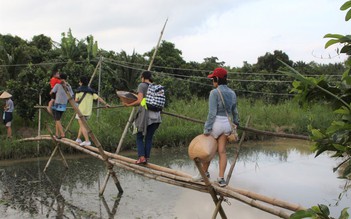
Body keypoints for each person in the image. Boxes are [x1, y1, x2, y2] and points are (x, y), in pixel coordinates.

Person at [194, 67, 239, 187]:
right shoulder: (232, 93)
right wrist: (236, 123)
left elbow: (212, 113)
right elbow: (235, 111)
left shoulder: (214, 93)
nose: (213, 81)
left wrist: (207, 129)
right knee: (222, 151)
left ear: (217, 79)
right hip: (227, 125)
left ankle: (203, 174)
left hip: (217, 124)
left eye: (213, 79)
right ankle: (221, 178)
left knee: (208, 150)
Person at [123, 71, 162, 164]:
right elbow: (144, 98)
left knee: (139, 136)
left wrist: (128, 105)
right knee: (149, 138)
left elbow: (139, 101)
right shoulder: (154, 87)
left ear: (143, 77)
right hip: (156, 116)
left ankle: (141, 158)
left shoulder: (142, 85)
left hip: (146, 116)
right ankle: (146, 158)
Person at [74, 76, 110, 146]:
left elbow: (76, 100)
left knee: (82, 126)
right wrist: (106, 104)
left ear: (81, 82)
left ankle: (87, 141)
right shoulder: (91, 91)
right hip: (88, 112)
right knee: (82, 125)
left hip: (80, 111)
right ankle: (78, 139)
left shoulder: (78, 91)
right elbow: (98, 98)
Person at [50, 73, 73, 139]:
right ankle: (57, 134)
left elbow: (52, 92)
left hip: (57, 103)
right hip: (64, 104)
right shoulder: (69, 86)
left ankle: (62, 134)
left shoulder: (57, 85)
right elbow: (71, 95)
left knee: (57, 119)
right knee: (58, 119)